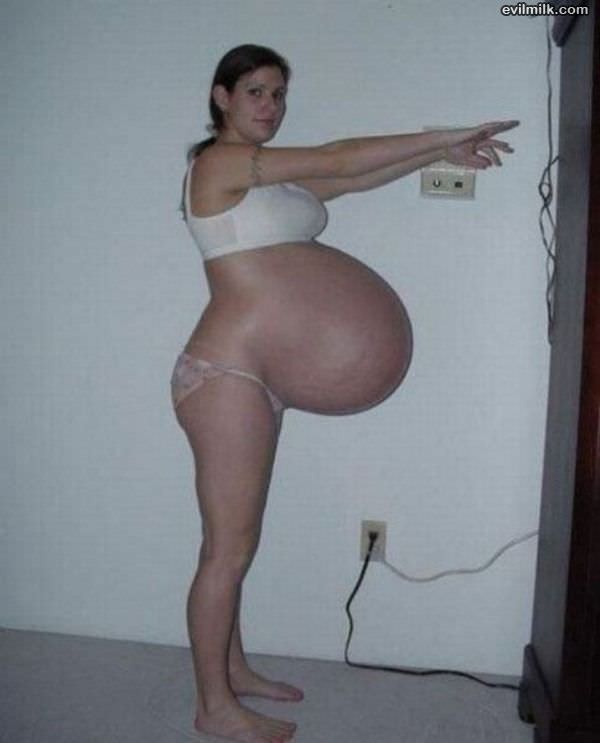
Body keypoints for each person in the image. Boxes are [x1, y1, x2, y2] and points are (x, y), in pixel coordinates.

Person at [171, 43, 518, 743]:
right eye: (256, 92)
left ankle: (232, 669)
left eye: (278, 94)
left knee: (234, 542)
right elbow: (337, 156)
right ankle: (213, 707)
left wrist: (438, 156)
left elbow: (351, 179)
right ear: (221, 97)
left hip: (256, 378)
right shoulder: (218, 165)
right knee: (227, 550)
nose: (271, 106)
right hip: (227, 373)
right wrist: (445, 132)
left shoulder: (267, 183)